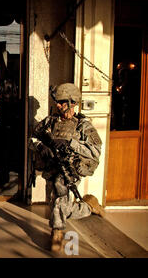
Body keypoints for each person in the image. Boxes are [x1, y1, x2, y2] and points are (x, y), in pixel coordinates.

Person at [29, 83, 104, 252]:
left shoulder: (83, 126)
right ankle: (88, 207)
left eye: (62, 102)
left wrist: (71, 143)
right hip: (51, 168)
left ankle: (57, 233)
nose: (58, 105)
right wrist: (41, 146)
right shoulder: (49, 122)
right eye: (57, 101)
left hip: (70, 171)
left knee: (59, 199)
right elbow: (31, 139)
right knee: (57, 204)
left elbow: (95, 152)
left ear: (73, 103)